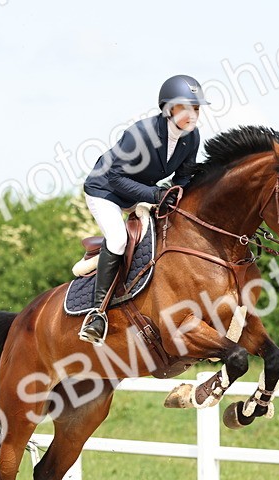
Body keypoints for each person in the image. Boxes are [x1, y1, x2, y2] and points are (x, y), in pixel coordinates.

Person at [78, 74, 207, 344]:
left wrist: (176, 196)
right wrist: (156, 194)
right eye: (186, 108)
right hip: (106, 191)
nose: (192, 115)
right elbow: (115, 177)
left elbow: (183, 176)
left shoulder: (191, 138)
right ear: (168, 109)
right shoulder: (141, 134)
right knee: (118, 238)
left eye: (196, 109)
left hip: (139, 191)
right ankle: (97, 313)